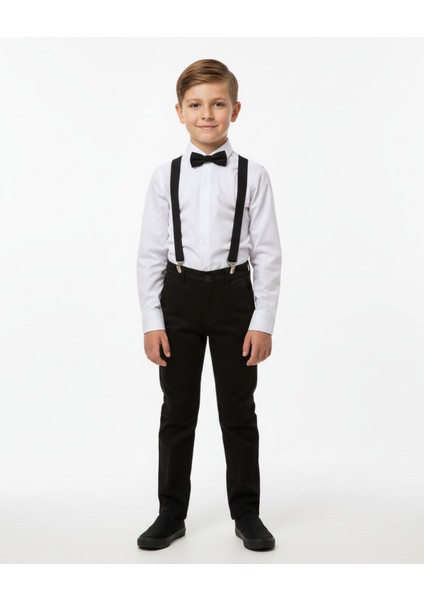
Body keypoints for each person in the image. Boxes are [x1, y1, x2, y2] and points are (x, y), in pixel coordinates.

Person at [136, 58, 282, 552]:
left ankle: (247, 512)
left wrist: (263, 321)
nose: (207, 114)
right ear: (179, 112)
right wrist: (152, 320)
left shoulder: (254, 176)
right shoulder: (165, 176)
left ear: (235, 110)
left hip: (234, 297)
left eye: (218, 104)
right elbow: (150, 254)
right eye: (196, 105)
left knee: (238, 410)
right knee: (177, 410)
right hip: (178, 297)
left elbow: (268, 253)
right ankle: (170, 512)